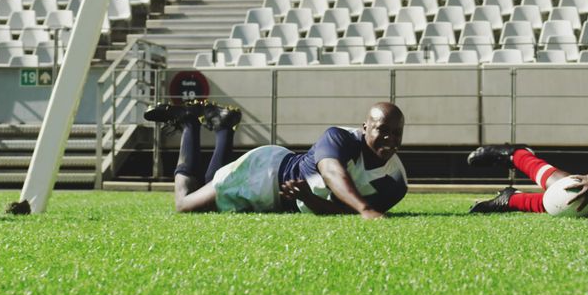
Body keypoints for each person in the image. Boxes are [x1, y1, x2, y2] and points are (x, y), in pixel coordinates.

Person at [145, 100, 407, 219]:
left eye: (396, 133)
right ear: (365, 127)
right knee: (185, 204)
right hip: (267, 173)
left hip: (282, 198)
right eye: (382, 130)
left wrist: (311, 199)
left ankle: (224, 127)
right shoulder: (340, 138)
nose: (390, 139)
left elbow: (344, 212)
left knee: (208, 184)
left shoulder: (396, 182)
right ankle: (190, 122)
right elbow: (331, 173)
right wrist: (366, 209)